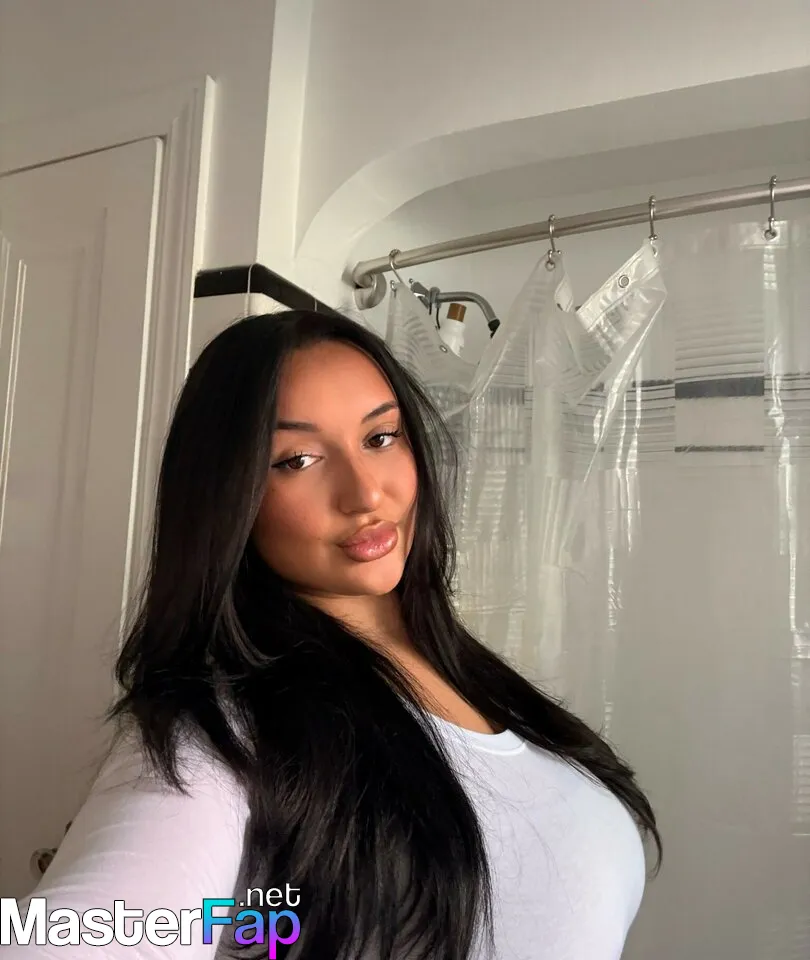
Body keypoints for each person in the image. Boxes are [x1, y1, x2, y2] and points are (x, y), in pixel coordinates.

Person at [6, 310, 661, 959]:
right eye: (297, 460)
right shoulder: (225, 731)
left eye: (380, 437)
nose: (365, 493)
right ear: (229, 497)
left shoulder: (474, 676)